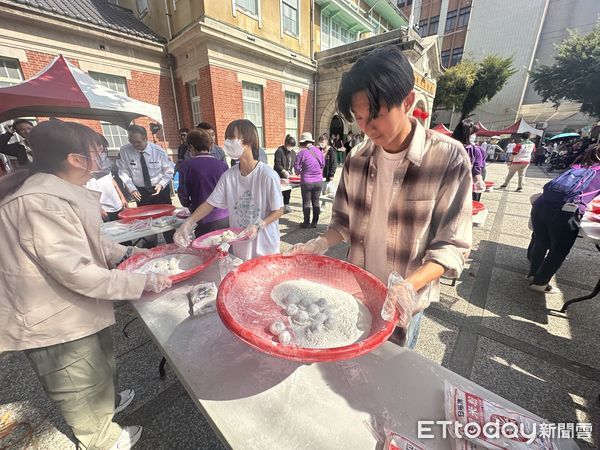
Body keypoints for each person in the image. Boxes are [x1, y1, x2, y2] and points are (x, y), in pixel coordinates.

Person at [0, 120, 172, 450]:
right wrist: (143, 280)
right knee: (76, 379)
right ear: (75, 159)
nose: (102, 157)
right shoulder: (39, 203)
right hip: (51, 317)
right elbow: (76, 270)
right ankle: (101, 438)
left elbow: (87, 242)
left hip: (74, 306)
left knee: (98, 363)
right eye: (96, 151)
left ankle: (103, 405)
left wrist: (128, 252)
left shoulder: (55, 192)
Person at [286, 45, 472, 349]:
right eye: (359, 118)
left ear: (408, 101)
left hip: (404, 303)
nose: (367, 128)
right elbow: (343, 223)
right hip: (356, 291)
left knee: (392, 375)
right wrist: (319, 243)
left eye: (376, 115)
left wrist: (407, 287)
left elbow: (450, 246)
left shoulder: (447, 159)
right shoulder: (357, 159)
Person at [174, 119, 284, 260]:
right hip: (241, 246)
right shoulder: (229, 176)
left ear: (247, 140)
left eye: (231, 138)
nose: (227, 142)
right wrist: (188, 223)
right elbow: (210, 203)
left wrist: (258, 225)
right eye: (226, 138)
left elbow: (278, 210)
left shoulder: (267, 175)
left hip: (265, 246)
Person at [528, 145, 600, 293]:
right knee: (559, 249)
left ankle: (532, 274)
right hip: (564, 212)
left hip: (540, 205)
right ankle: (540, 283)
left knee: (541, 241)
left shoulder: (576, 168)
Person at [177, 129, 229, 236]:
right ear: (210, 146)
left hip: (202, 217)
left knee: (205, 249)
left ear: (190, 147)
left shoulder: (185, 166)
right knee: (225, 247)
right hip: (225, 216)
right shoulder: (222, 165)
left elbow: (183, 193)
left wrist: (189, 206)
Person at [116, 124, 175, 206]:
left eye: (138, 142)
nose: (134, 145)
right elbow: (123, 172)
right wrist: (131, 188)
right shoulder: (124, 151)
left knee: (165, 216)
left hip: (159, 189)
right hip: (139, 191)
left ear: (146, 139)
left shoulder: (158, 151)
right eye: (131, 141)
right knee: (144, 217)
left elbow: (169, 170)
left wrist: (162, 184)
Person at [85, 134, 129, 222]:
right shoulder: (84, 168)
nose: (103, 152)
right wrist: (98, 208)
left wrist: (122, 198)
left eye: (105, 149)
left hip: (117, 205)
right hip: (103, 209)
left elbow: (113, 182)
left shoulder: (104, 164)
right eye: (101, 149)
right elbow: (84, 191)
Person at [294, 132, 325, 228]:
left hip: (307, 181)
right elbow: (323, 165)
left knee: (306, 202)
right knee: (316, 202)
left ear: (303, 142)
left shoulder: (301, 153)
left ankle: (306, 223)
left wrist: (300, 171)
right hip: (319, 181)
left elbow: (296, 169)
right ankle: (315, 222)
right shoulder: (319, 151)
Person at [452, 119, 486, 201]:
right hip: (448, 185)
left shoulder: (475, 150)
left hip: (465, 186)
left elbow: (476, 170)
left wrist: (479, 182)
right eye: (473, 133)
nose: (474, 136)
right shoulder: (449, 147)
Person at [273, 135, 297, 214]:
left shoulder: (293, 153)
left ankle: (286, 205)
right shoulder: (279, 151)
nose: (291, 148)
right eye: (289, 146)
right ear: (286, 144)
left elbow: (293, 163)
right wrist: (284, 171)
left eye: (292, 146)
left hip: (288, 176)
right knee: (279, 191)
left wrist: (292, 171)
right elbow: (277, 164)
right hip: (279, 174)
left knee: (288, 191)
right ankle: (278, 207)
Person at [320, 134, 337, 208]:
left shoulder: (331, 151)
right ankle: (321, 203)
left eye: (322, 141)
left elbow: (334, 163)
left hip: (326, 173)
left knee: (326, 189)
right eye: (320, 141)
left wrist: (331, 174)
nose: (321, 143)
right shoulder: (319, 150)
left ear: (327, 141)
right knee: (320, 189)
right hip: (319, 173)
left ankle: (323, 204)